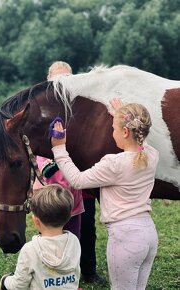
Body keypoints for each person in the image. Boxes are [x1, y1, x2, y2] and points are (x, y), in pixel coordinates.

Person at [51, 98, 159, 290]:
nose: (112, 132)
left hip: (125, 237)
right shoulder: (152, 155)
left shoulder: (114, 163)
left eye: (114, 128)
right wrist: (122, 113)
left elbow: (77, 180)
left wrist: (59, 148)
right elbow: (142, 139)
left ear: (125, 132)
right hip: (148, 234)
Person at [35, 61, 102, 284]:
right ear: (48, 82)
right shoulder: (40, 112)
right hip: (52, 183)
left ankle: (88, 271)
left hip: (79, 183)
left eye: (67, 80)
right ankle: (53, 273)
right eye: (57, 80)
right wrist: (46, 165)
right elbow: (36, 146)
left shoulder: (80, 109)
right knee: (51, 228)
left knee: (85, 228)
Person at [0, 184, 81, 290]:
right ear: (68, 217)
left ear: (36, 221)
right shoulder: (74, 241)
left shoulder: (30, 249)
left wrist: (5, 280)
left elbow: (18, 286)